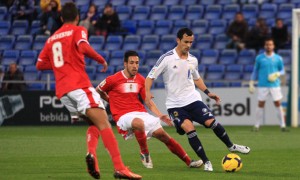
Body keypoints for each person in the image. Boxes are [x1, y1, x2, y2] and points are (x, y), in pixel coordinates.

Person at [36, 2, 141, 180]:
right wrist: (100, 59)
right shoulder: (78, 30)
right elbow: (83, 47)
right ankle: (120, 168)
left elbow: (39, 65)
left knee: (94, 124)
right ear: (77, 17)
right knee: (105, 124)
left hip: (63, 92)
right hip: (79, 85)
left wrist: (59, 66)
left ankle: (92, 155)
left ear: (61, 18)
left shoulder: (51, 39)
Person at [144, 28, 251, 172]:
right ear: (178, 40)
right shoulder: (167, 58)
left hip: (193, 99)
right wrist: (147, 92)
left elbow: (196, 78)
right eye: (185, 42)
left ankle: (231, 146)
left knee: (211, 122)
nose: (188, 45)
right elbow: (150, 77)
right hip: (175, 105)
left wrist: (208, 92)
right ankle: (207, 162)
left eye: (191, 42)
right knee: (190, 129)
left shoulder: (192, 59)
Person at [96, 50, 203, 169]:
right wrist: (110, 100)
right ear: (125, 64)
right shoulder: (113, 79)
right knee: (138, 123)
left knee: (164, 136)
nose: (135, 66)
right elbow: (98, 90)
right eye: (131, 63)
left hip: (140, 112)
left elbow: (148, 101)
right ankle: (145, 153)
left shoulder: (141, 80)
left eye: (137, 63)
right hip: (122, 115)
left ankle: (189, 162)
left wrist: (160, 115)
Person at [248, 38, 287, 132]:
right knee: (260, 103)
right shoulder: (259, 58)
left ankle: (283, 125)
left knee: (277, 103)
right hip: (262, 85)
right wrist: (251, 82)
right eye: (267, 44)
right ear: (264, 46)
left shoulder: (278, 58)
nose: (268, 46)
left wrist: (277, 74)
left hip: (275, 85)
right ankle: (256, 125)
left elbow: (282, 70)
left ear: (273, 46)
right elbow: (255, 70)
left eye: (270, 44)